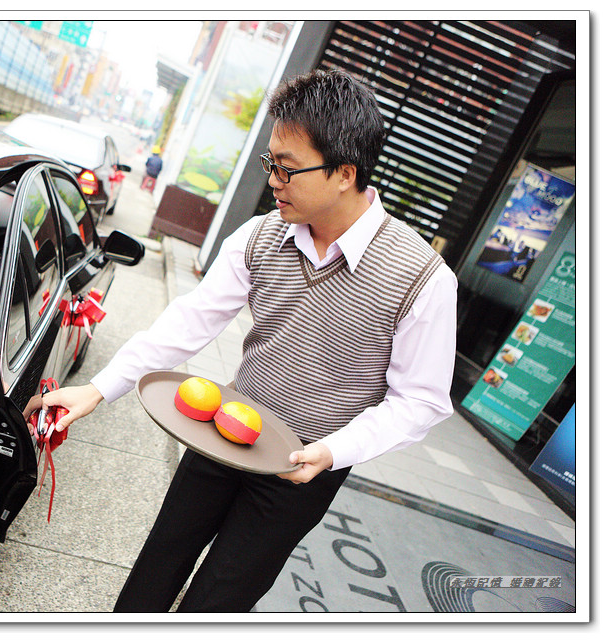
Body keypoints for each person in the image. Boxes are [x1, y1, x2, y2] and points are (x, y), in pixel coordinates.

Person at [35, 68, 458, 612]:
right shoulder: (261, 235)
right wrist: (97, 389)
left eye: (287, 169)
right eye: (269, 165)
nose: (274, 181)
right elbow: (189, 321)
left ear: (345, 173)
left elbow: (420, 401)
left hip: (303, 471)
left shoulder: (423, 279)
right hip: (224, 431)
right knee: (160, 560)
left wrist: (334, 451)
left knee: (219, 600)